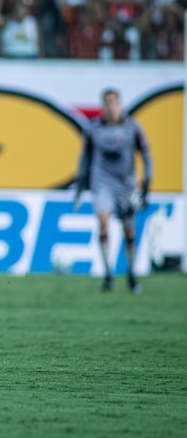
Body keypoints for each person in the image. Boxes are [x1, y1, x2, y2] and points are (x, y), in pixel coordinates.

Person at [75, 88, 153, 293]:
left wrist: (147, 183)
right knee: (103, 223)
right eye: (106, 103)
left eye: (113, 103)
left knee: (129, 230)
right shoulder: (94, 129)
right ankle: (108, 274)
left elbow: (145, 154)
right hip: (102, 183)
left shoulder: (132, 127)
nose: (110, 107)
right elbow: (85, 158)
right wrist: (80, 187)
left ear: (120, 105)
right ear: (102, 106)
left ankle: (131, 273)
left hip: (126, 184)